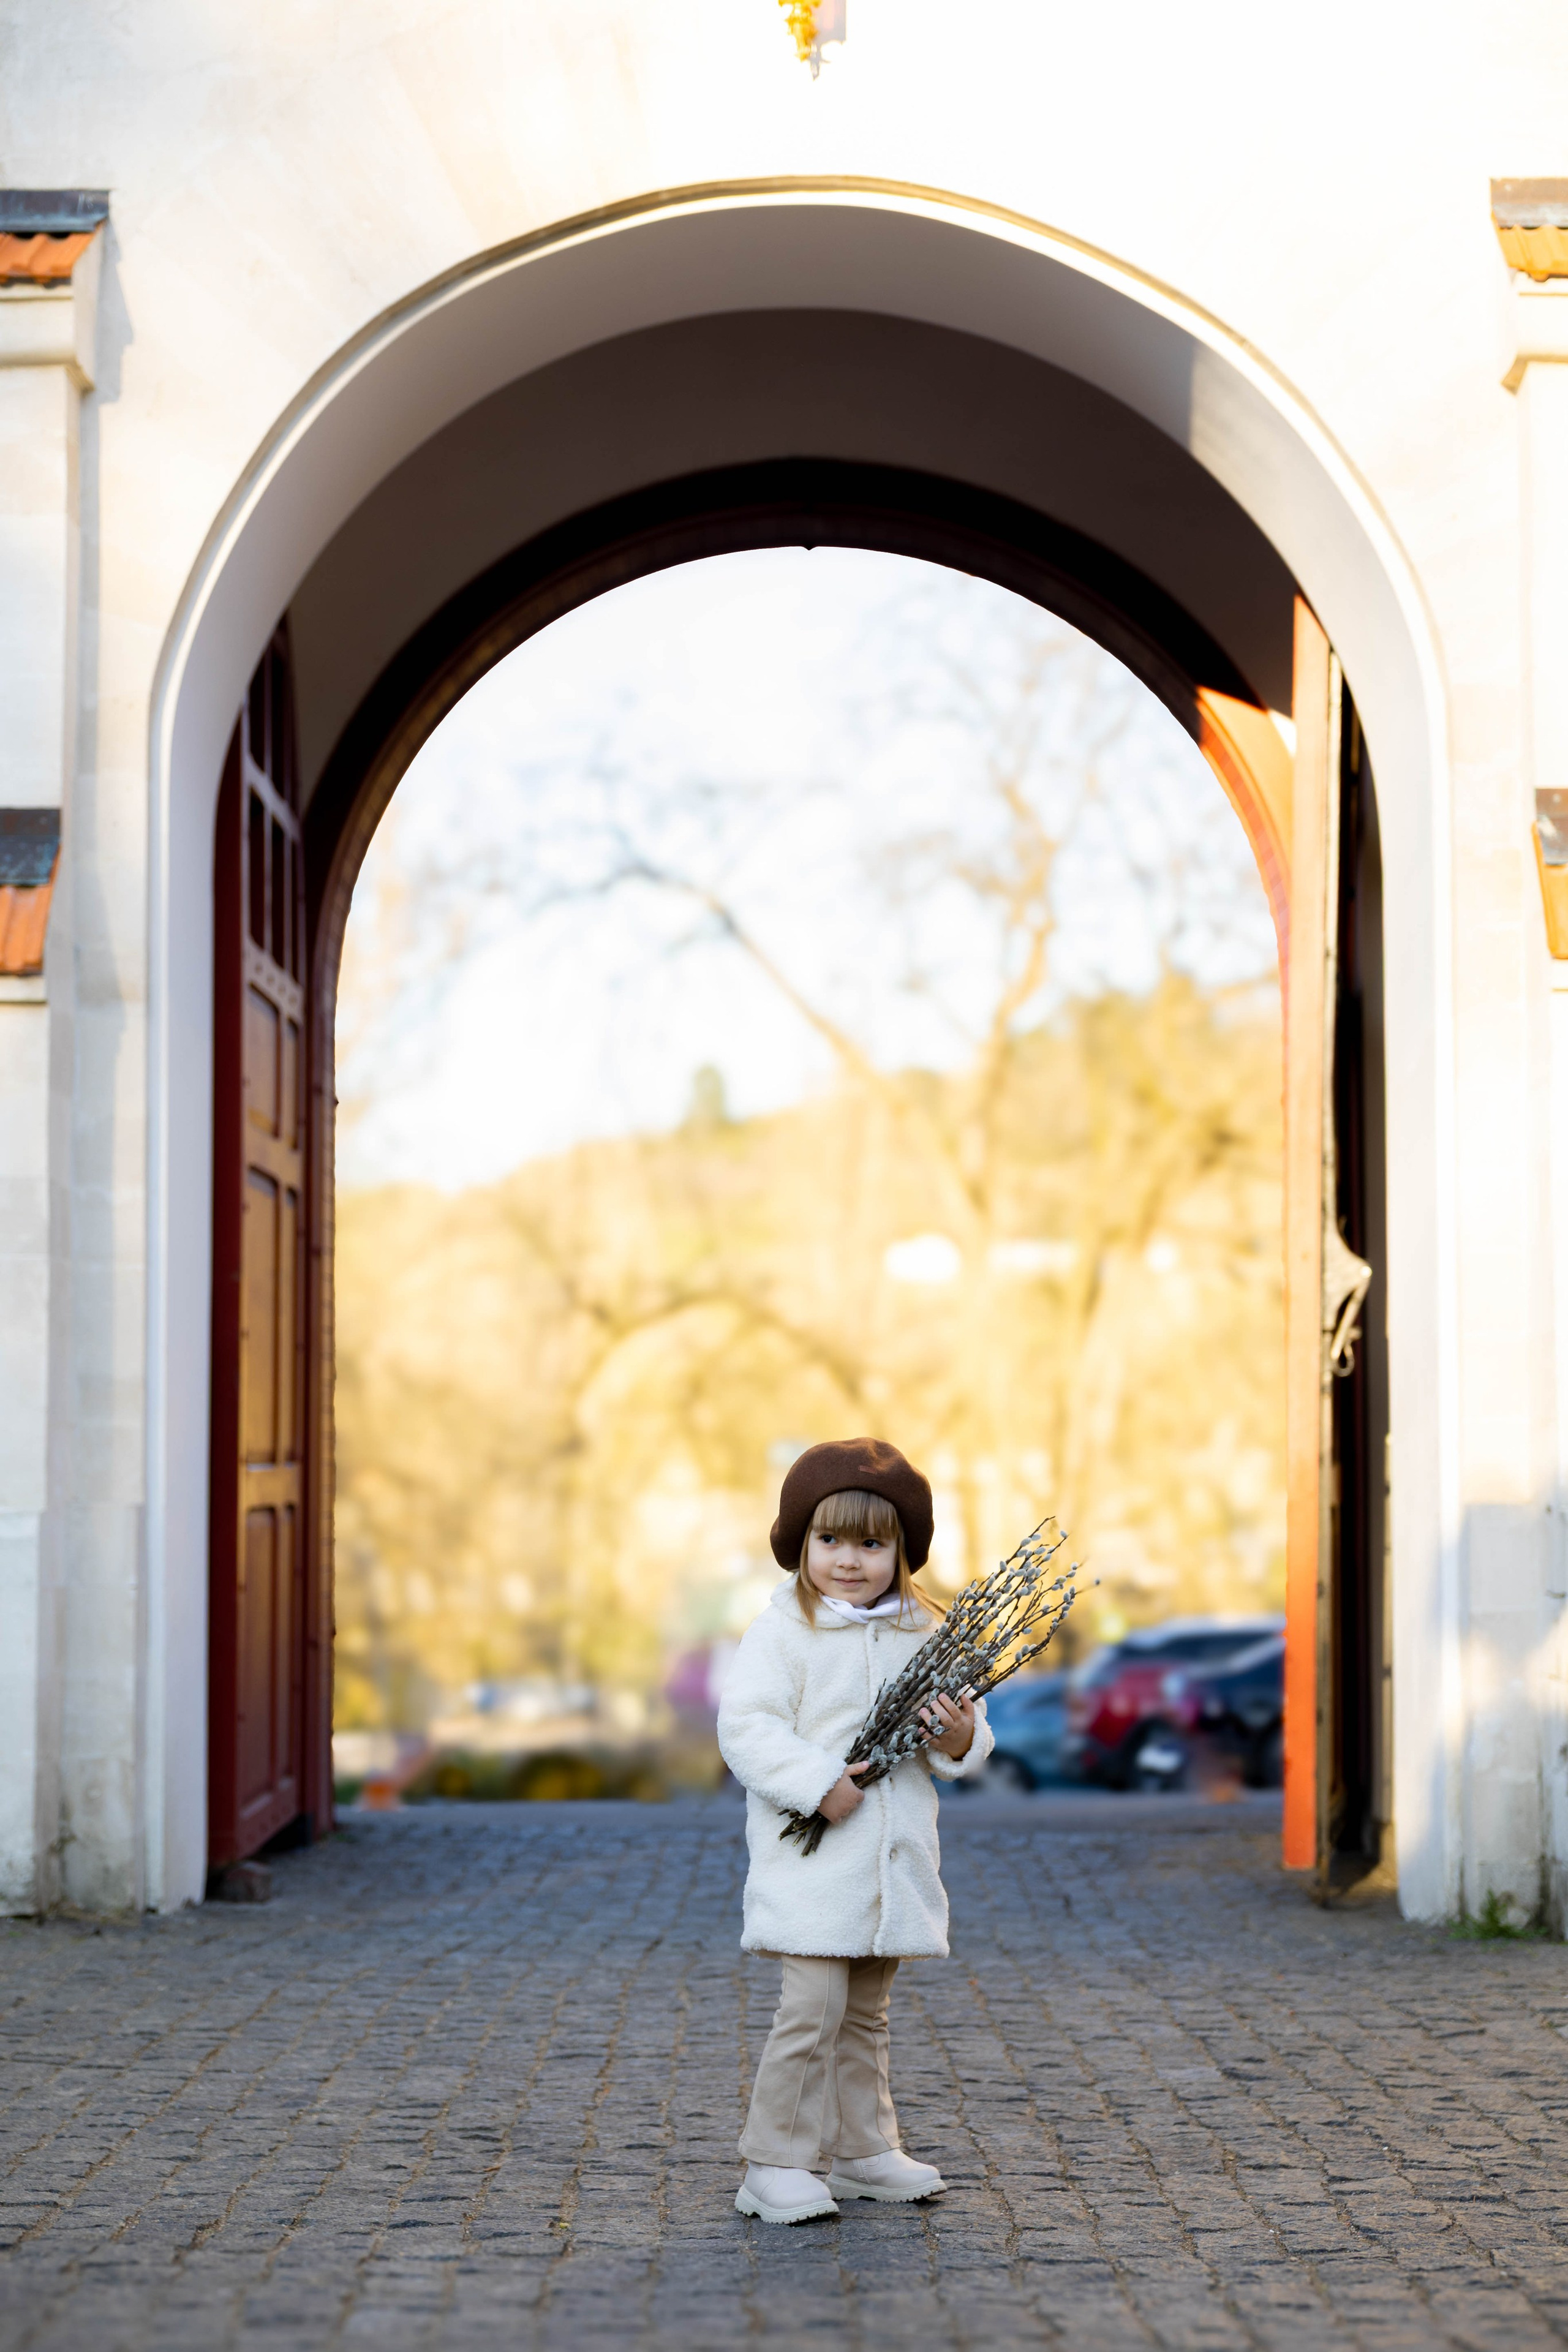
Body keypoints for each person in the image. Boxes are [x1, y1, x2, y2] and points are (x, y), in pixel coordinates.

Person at [717, 1436, 993, 2225]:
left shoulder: (926, 1636)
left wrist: (957, 1736)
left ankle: (865, 2151)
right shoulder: (784, 1634)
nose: (849, 1560)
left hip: (887, 1868)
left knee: (865, 2015)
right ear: (800, 1544)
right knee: (812, 2010)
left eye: (872, 1544)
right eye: (829, 1540)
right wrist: (818, 1785)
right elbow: (747, 1728)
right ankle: (774, 2161)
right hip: (814, 1865)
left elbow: (967, 1741)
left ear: (901, 1552)